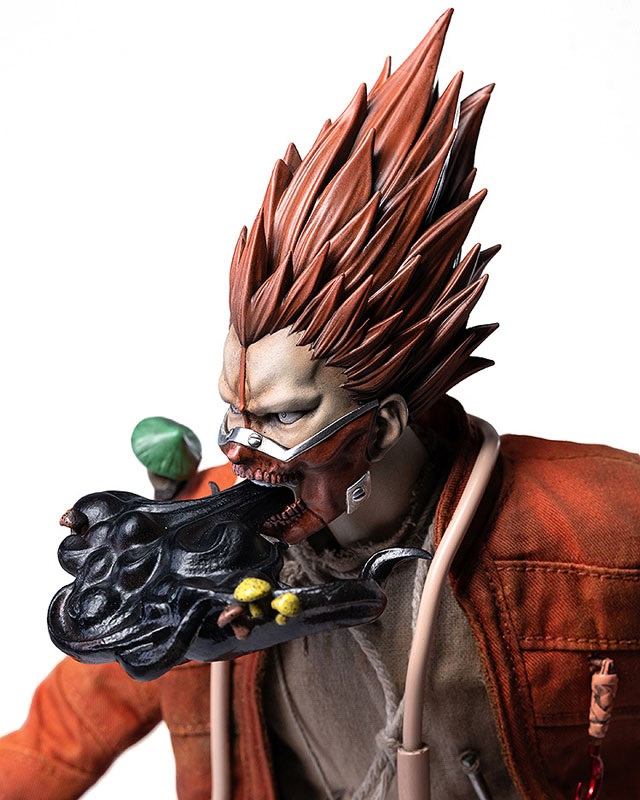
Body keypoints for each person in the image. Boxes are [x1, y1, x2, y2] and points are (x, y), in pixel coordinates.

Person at [1, 9, 639, 800]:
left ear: (385, 424)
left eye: (281, 417)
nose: (241, 451)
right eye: (235, 413)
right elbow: (52, 746)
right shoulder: (191, 560)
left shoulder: (594, 533)